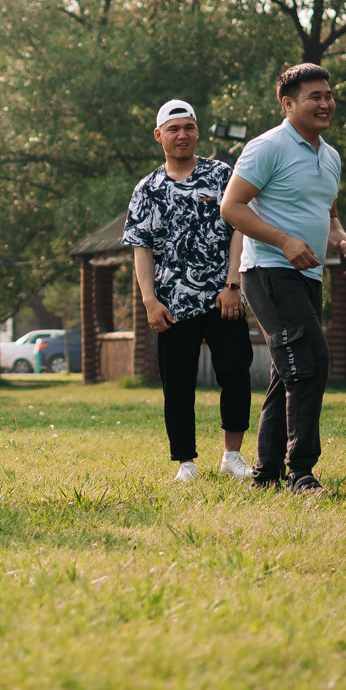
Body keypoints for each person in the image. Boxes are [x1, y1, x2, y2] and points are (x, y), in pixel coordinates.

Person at [221, 63, 346, 494]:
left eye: (329, 96)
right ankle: (300, 471)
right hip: (267, 270)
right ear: (288, 103)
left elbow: (328, 214)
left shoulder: (330, 155)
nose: (325, 103)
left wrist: (342, 239)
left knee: (288, 369)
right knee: (311, 363)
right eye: (314, 96)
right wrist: (284, 241)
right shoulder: (268, 147)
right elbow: (232, 207)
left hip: (307, 274)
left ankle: (265, 476)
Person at [126, 100, 253, 484]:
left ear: (198, 132)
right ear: (159, 135)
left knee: (235, 372)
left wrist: (234, 284)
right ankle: (186, 464)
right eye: (174, 128)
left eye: (189, 127)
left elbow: (239, 229)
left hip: (222, 299)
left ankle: (233, 456)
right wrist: (150, 300)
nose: (182, 135)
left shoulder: (221, 175)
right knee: (177, 383)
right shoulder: (147, 189)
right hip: (172, 303)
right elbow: (141, 248)